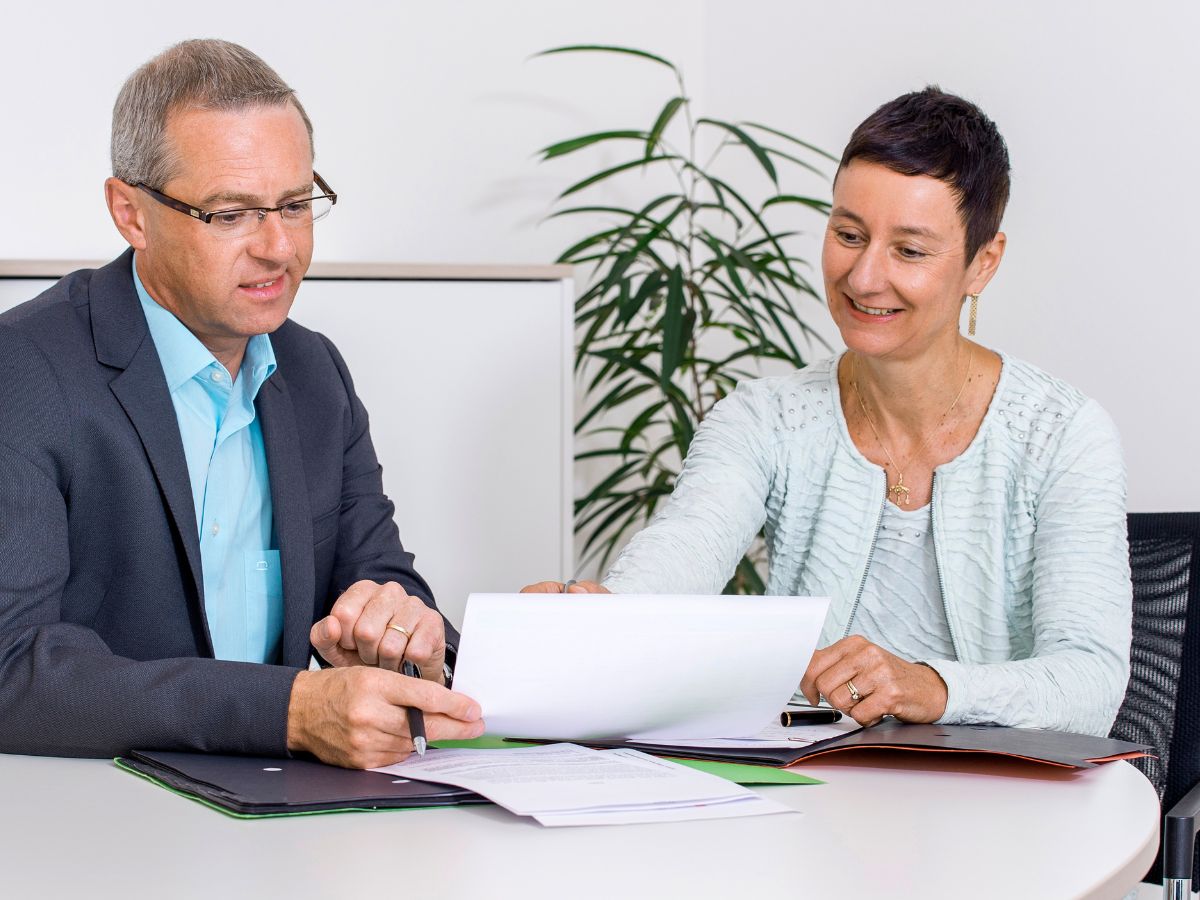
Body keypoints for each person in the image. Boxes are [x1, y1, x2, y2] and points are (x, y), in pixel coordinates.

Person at [526, 87, 1131, 737]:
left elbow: (1090, 685)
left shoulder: (1063, 434)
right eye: (848, 235)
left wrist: (931, 685)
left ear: (982, 264)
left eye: (909, 251)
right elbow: (682, 553)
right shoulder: (764, 419)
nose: (863, 278)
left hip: (1003, 789)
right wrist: (602, 616)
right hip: (815, 782)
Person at [0, 39, 484, 766]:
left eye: (295, 204)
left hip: (279, 804)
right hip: (99, 807)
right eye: (231, 214)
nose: (278, 247)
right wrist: (289, 711)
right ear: (130, 214)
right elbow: (11, 670)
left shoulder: (314, 369)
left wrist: (403, 630)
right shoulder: (22, 369)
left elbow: (379, 570)